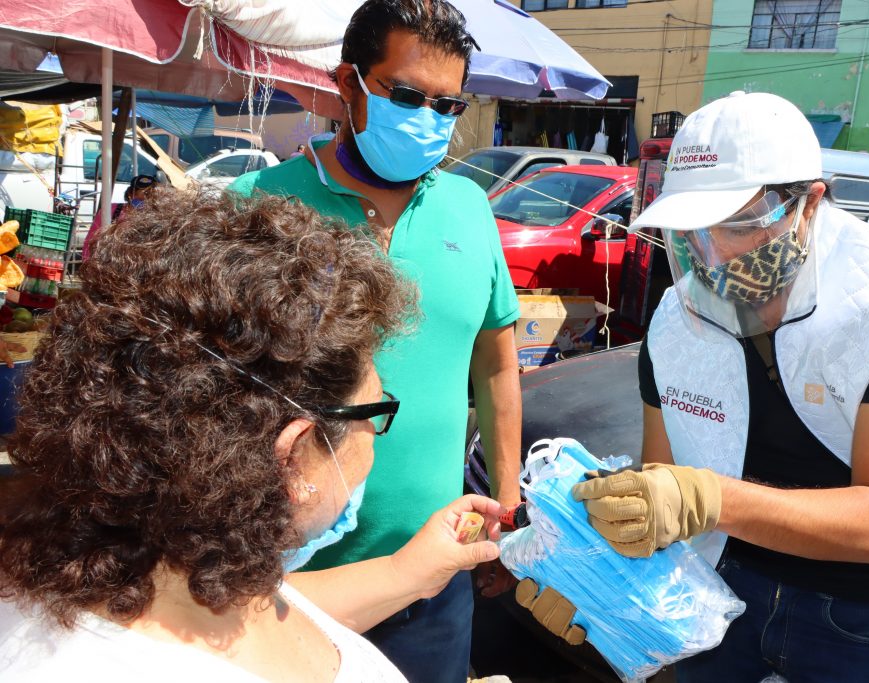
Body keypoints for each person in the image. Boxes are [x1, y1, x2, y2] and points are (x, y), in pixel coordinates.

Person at [518, 92, 869, 682]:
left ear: (809, 203)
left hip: (858, 616)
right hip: (720, 586)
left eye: (736, 224)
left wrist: (709, 499)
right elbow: (664, 481)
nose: (710, 252)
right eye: (692, 229)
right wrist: (594, 575)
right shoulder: (675, 317)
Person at [0, 189, 504, 682]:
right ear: (292, 457)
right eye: (374, 410)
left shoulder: (103, 585)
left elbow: (272, 610)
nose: (376, 433)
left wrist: (409, 572)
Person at [229, 2, 522, 681]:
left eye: (447, 106)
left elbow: (498, 366)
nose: (427, 118)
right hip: (281, 581)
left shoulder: (471, 209)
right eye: (407, 94)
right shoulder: (256, 204)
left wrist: (506, 507)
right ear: (348, 83)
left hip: (433, 584)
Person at [82, 173, 159, 260]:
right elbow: (91, 240)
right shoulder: (111, 210)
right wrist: (88, 262)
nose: (147, 199)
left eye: (152, 195)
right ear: (131, 194)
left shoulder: (155, 216)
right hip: (110, 265)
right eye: (145, 194)